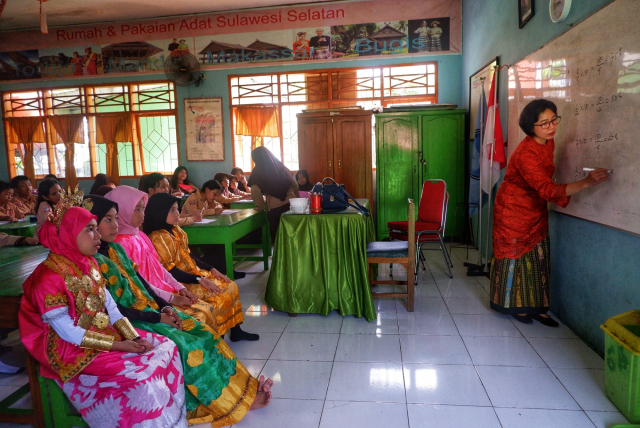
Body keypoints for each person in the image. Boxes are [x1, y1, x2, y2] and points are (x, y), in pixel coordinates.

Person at [87, 195, 272, 425]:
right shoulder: (91, 264)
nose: (114, 225)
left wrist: (165, 306)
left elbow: (141, 282)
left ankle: (242, 390)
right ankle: (215, 402)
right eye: (106, 221)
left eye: (115, 219)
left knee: (202, 331)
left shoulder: (115, 249)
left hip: (150, 309)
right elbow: (115, 310)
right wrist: (159, 316)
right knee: (188, 344)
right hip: (131, 322)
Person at [18, 205, 187, 428]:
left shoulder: (88, 262)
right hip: (69, 349)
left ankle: (170, 421)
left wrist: (133, 338)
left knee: (167, 346)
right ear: (67, 232)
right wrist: (120, 346)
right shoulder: (48, 278)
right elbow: (68, 332)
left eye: (96, 229)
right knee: (141, 376)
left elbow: (111, 309)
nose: (98, 236)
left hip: (102, 334)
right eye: (90, 229)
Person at [490, 99, 609, 326]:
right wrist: (586, 182)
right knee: (518, 257)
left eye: (554, 119)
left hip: (534, 208)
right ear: (530, 127)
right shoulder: (526, 153)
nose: (551, 126)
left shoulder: (547, 142)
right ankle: (516, 306)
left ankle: (537, 307)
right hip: (513, 211)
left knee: (538, 258)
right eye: (544, 123)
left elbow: (544, 184)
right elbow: (547, 189)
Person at [143, 193, 258, 341]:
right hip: (182, 282)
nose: (177, 213)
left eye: (177, 209)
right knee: (218, 294)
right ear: (159, 211)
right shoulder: (157, 237)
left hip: (195, 274)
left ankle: (236, 330)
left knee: (230, 285)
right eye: (172, 210)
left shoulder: (176, 229)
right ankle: (219, 337)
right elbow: (169, 271)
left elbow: (190, 257)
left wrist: (211, 269)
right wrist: (199, 280)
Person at [181, 180, 246, 279]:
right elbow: (195, 213)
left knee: (221, 244)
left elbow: (219, 205)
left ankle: (228, 271)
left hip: (202, 230)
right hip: (190, 232)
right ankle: (210, 269)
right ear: (207, 190)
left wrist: (216, 208)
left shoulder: (206, 200)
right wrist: (213, 211)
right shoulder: (193, 198)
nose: (215, 197)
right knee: (216, 246)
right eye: (214, 194)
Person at [248, 147, 299, 242]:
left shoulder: (258, 170)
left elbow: (255, 191)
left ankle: (281, 256)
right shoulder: (280, 166)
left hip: (275, 208)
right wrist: (296, 200)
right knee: (293, 234)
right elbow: (295, 185)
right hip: (292, 205)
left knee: (279, 237)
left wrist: (261, 206)